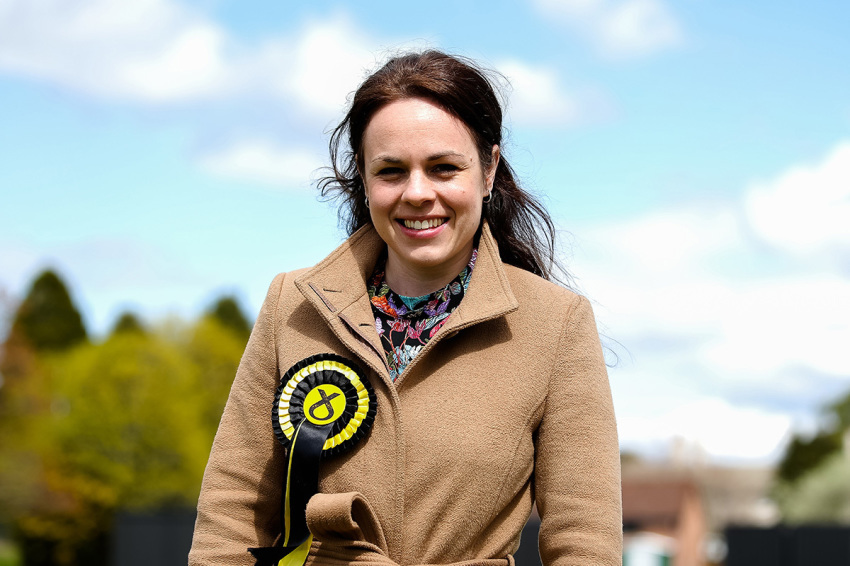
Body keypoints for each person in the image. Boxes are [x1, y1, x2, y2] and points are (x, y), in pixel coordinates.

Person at [189, 50, 622, 566]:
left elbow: (585, 544)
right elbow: (230, 515)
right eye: (391, 171)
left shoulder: (557, 323)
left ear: (488, 172)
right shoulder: (291, 304)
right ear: (364, 181)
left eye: (443, 168)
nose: (418, 193)